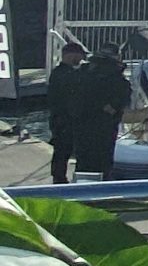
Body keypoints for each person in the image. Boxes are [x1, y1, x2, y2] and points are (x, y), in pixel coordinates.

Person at [72, 45, 131, 181]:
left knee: (84, 160)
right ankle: (101, 187)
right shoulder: (115, 77)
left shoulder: (83, 73)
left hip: (83, 123)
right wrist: (110, 107)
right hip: (104, 125)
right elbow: (121, 99)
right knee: (103, 161)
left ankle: (80, 186)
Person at [46, 41, 88, 184]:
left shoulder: (58, 73)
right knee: (63, 150)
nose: (80, 60)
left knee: (61, 150)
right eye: (78, 56)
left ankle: (59, 177)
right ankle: (59, 178)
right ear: (71, 55)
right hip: (64, 120)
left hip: (60, 119)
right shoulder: (65, 74)